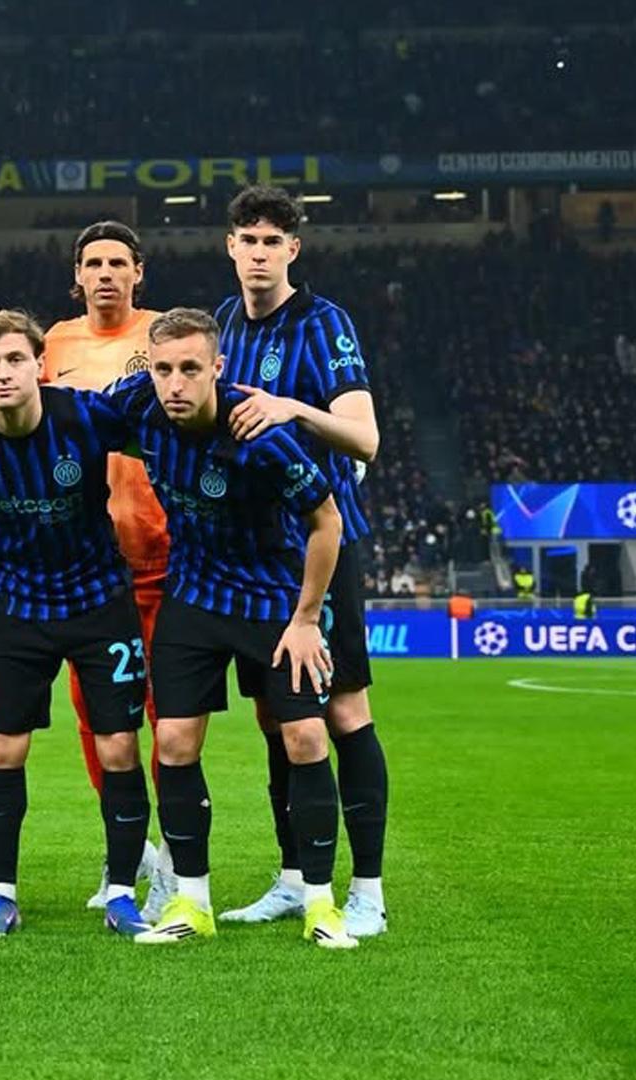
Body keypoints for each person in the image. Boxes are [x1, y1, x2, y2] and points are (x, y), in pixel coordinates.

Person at [110, 308, 354, 950]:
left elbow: (327, 521)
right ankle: (192, 902)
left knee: (305, 737)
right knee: (173, 742)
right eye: (164, 369)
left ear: (217, 368)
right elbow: (70, 413)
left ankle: (320, 904)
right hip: (193, 597)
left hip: (272, 602)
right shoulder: (137, 405)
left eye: (191, 369)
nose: (175, 384)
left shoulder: (259, 432)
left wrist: (307, 619)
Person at [209, 186, 392, 938]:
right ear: (230, 247)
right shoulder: (222, 322)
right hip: (257, 556)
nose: (258, 253)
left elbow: (365, 437)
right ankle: (294, 877)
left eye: (271, 242)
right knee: (276, 718)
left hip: (324, 541)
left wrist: (293, 408)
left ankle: (368, 890)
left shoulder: (324, 323)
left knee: (343, 711)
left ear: (293, 249)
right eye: (247, 240)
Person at [0, 310, 153, 940]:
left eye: (15, 360)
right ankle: (0, 896)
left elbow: (164, 428)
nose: (3, 373)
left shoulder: (86, 415)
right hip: (18, 605)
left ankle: (122, 894)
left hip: (98, 601)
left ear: (40, 364)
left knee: (118, 748)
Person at [38, 219, 173, 912]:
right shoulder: (54, 344)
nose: (106, 274)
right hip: (88, 561)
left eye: (118, 262)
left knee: (168, 714)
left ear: (138, 272)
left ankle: (174, 856)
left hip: (163, 557)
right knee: (96, 719)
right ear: (78, 276)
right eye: (93, 263)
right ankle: (130, 849)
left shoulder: (166, 336)